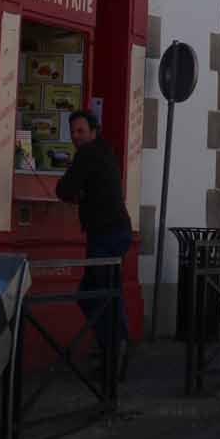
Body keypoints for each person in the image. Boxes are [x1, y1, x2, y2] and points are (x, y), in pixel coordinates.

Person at [55, 108, 134, 378]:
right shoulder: (103, 150)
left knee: (104, 294)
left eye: (80, 131)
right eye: (73, 131)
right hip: (114, 231)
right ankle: (111, 347)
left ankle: (117, 350)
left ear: (93, 131)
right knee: (92, 294)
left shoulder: (88, 153)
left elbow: (63, 189)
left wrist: (75, 190)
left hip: (107, 234)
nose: (76, 136)